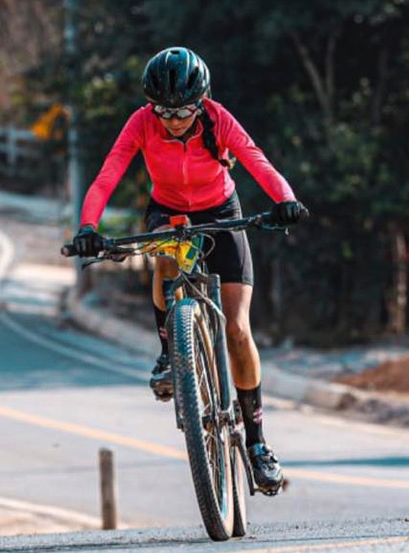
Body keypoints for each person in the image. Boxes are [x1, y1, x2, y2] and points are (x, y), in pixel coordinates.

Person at [71, 46, 305, 496]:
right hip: (169, 213)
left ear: (201, 102)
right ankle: (168, 352)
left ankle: (257, 445)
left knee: (237, 328)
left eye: (182, 112)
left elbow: (256, 159)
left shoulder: (218, 119)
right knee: (166, 261)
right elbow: (108, 174)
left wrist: (286, 199)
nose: (172, 120)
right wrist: (87, 226)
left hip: (221, 209)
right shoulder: (141, 123)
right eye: (163, 111)